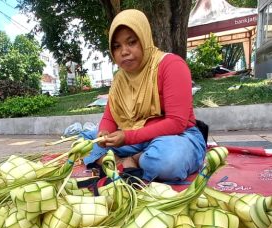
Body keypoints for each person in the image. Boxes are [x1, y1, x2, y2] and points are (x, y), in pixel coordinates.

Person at [81, 9, 206, 182]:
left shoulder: (171, 65)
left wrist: (127, 137)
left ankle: (134, 160)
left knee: (169, 160)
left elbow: (177, 123)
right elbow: (110, 118)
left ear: (145, 39)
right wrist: (104, 135)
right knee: (84, 141)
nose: (124, 51)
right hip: (134, 138)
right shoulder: (119, 79)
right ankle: (124, 163)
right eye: (117, 46)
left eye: (131, 42)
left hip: (176, 137)